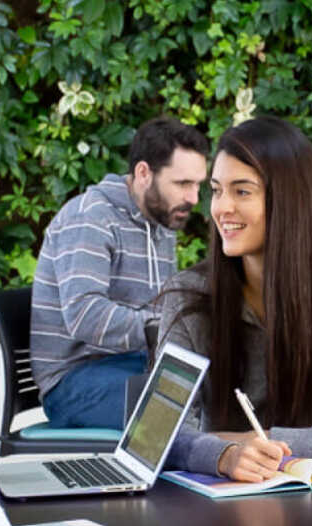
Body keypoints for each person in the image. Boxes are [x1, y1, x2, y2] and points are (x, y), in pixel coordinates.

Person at [158, 116, 312, 482]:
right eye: (217, 190)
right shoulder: (191, 295)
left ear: (289, 200)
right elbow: (156, 434)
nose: (222, 208)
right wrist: (224, 455)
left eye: (242, 191)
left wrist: (262, 443)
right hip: (216, 505)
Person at [31, 117, 211, 429]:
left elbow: (161, 309)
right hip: (74, 382)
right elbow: (85, 314)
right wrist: (163, 326)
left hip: (132, 363)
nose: (194, 198)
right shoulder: (90, 218)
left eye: (198, 185)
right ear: (144, 173)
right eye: (183, 184)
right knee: (184, 410)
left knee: (227, 385)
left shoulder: (161, 223)